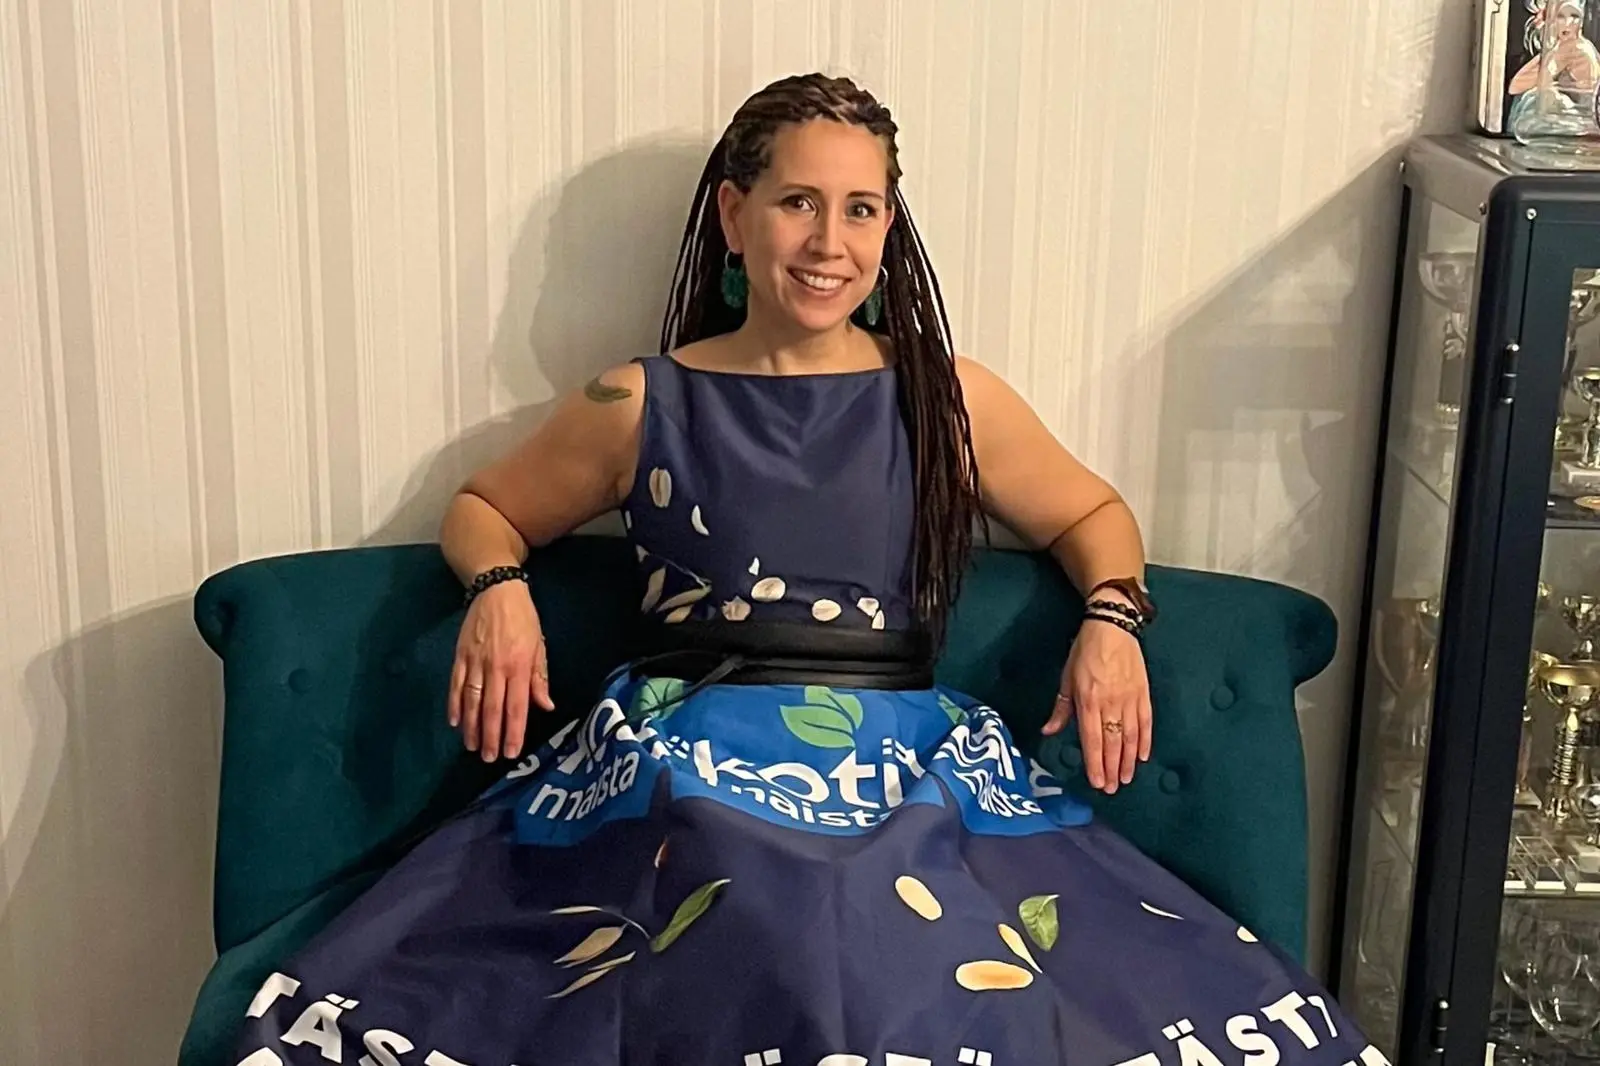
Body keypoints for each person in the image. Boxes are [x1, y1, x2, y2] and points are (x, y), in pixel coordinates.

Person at [231, 73, 1377, 1066]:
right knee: (748, 884)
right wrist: (498, 592)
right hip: (688, 747)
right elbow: (485, 507)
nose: (830, 242)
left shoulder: (948, 397)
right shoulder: (635, 399)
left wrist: (1113, 621)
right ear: (735, 217)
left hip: (901, 757)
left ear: (887, 229)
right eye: (797, 202)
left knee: (902, 927)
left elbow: (1092, 512)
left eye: (860, 208)